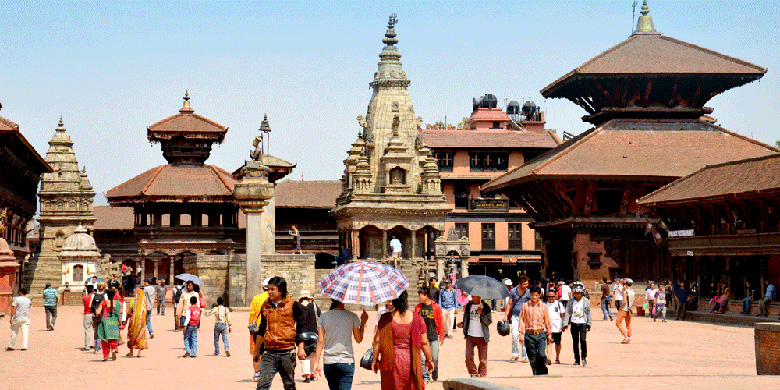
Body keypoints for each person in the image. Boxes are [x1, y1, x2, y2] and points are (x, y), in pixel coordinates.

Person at [372, 291, 434, 389]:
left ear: (393, 301)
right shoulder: (417, 319)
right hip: (411, 360)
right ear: (407, 299)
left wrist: (375, 360)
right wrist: (429, 360)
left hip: (390, 361)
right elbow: (424, 342)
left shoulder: (385, 319)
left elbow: (377, 342)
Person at [254, 277, 306, 390]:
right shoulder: (265, 306)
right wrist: (256, 351)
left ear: (281, 290)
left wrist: (301, 348)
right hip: (269, 352)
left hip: (287, 352)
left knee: (289, 385)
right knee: (263, 384)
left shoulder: (293, 305)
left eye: (273, 289)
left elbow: (301, 327)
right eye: (269, 289)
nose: (270, 292)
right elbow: (261, 329)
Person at [314, 300, 369, 390]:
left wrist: (316, 362)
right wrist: (363, 323)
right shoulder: (352, 316)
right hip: (346, 360)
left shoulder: (323, 316)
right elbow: (358, 339)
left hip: (329, 361)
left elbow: (320, 341)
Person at [517, 286, 552, 375]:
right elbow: (521, 320)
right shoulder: (525, 306)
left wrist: (549, 333)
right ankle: (536, 373)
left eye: (536, 295)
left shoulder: (543, 306)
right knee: (532, 356)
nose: (534, 297)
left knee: (541, 355)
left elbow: (547, 320)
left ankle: (543, 370)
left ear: (539, 295)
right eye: (532, 295)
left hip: (540, 334)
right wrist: (521, 334)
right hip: (529, 334)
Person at [414, 287, 445, 383]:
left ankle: (435, 371)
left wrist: (442, 335)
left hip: (433, 336)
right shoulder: (418, 308)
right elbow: (414, 322)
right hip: (422, 338)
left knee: (434, 358)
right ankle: (426, 377)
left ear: (426, 295)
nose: (419, 297)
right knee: (423, 359)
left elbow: (440, 321)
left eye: (421, 295)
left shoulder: (435, 307)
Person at [457, 293, 492, 378]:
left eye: (477, 295)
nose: (475, 297)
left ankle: (482, 376)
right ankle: (473, 374)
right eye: (473, 295)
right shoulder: (469, 306)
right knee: (468, 356)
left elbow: (488, 322)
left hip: (482, 336)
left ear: (480, 296)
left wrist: (482, 313)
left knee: (483, 360)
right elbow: (466, 319)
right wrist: (462, 324)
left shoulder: (486, 307)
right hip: (470, 335)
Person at [562, 284, 591, 366]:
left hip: (583, 323)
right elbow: (568, 312)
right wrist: (565, 323)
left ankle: (584, 357)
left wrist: (589, 323)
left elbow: (588, 313)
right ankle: (577, 359)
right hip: (574, 323)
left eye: (579, 293)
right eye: (576, 293)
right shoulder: (571, 302)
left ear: (582, 293)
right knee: (575, 342)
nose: (577, 295)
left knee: (583, 340)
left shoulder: (586, 301)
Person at [295, 290, 320, 382]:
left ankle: (307, 375)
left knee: (303, 355)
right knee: (312, 354)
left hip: (301, 333)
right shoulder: (314, 306)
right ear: (309, 298)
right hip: (313, 332)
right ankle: (313, 373)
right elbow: (320, 317)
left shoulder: (297, 307)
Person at [504, 275, 529, 362]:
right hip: (515, 316)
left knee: (525, 336)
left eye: (527, 284)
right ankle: (515, 354)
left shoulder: (528, 292)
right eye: (525, 284)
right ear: (520, 283)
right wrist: (506, 315)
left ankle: (524, 356)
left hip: (526, 317)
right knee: (514, 335)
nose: (526, 285)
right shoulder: (513, 291)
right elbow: (509, 304)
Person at [249, 278, 271, 381]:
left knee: (257, 351)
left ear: (263, 287)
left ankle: (257, 373)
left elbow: (252, 315)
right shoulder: (276, 298)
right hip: (272, 329)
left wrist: (251, 328)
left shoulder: (256, 298)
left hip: (258, 329)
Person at [95, 289, 122, 361]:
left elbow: (97, 312)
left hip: (105, 321)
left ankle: (106, 355)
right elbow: (119, 314)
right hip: (114, 322)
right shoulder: (117, 303)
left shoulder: (104, 302)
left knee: (105, 339)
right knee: (113, 338)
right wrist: (120, 324)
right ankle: (113, 349)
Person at [125, 286, 148, 357]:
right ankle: (139, 352)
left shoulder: (132, 302)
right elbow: (145, 313)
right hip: (141, 321)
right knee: (140, 335)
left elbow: (129, 312)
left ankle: (131, 351)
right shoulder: (144, 303)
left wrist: (126, 320)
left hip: (133, 321)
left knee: (131, 335)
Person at [544, 290, 564, 365]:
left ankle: (557, 357)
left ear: (555, 296)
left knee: (557, 343)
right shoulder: (545, 305)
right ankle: (549, 358)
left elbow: (563, 314)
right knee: (549, 342)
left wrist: (564, 324)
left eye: (552, 296)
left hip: (557, 327)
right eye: (549, 296)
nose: (551, 298)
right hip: (548, 327)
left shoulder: (559, 304)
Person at [616, 278, 635, 344]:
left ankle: (625, 336)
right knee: (628, 323)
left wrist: (620, 308)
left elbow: (624, 301)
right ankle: (629, 336)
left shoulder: (625, 291)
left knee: (618, 322)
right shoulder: (632, 291)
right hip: (629, 309)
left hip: (624, 309)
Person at [81, 285, 95, 351]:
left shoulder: (84, 298)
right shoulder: (94, 297)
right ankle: (97, 344)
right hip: (94, 314)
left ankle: (87, 346)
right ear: (93, 290)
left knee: (87, 330)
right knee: (96, 330)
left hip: (87, 314)